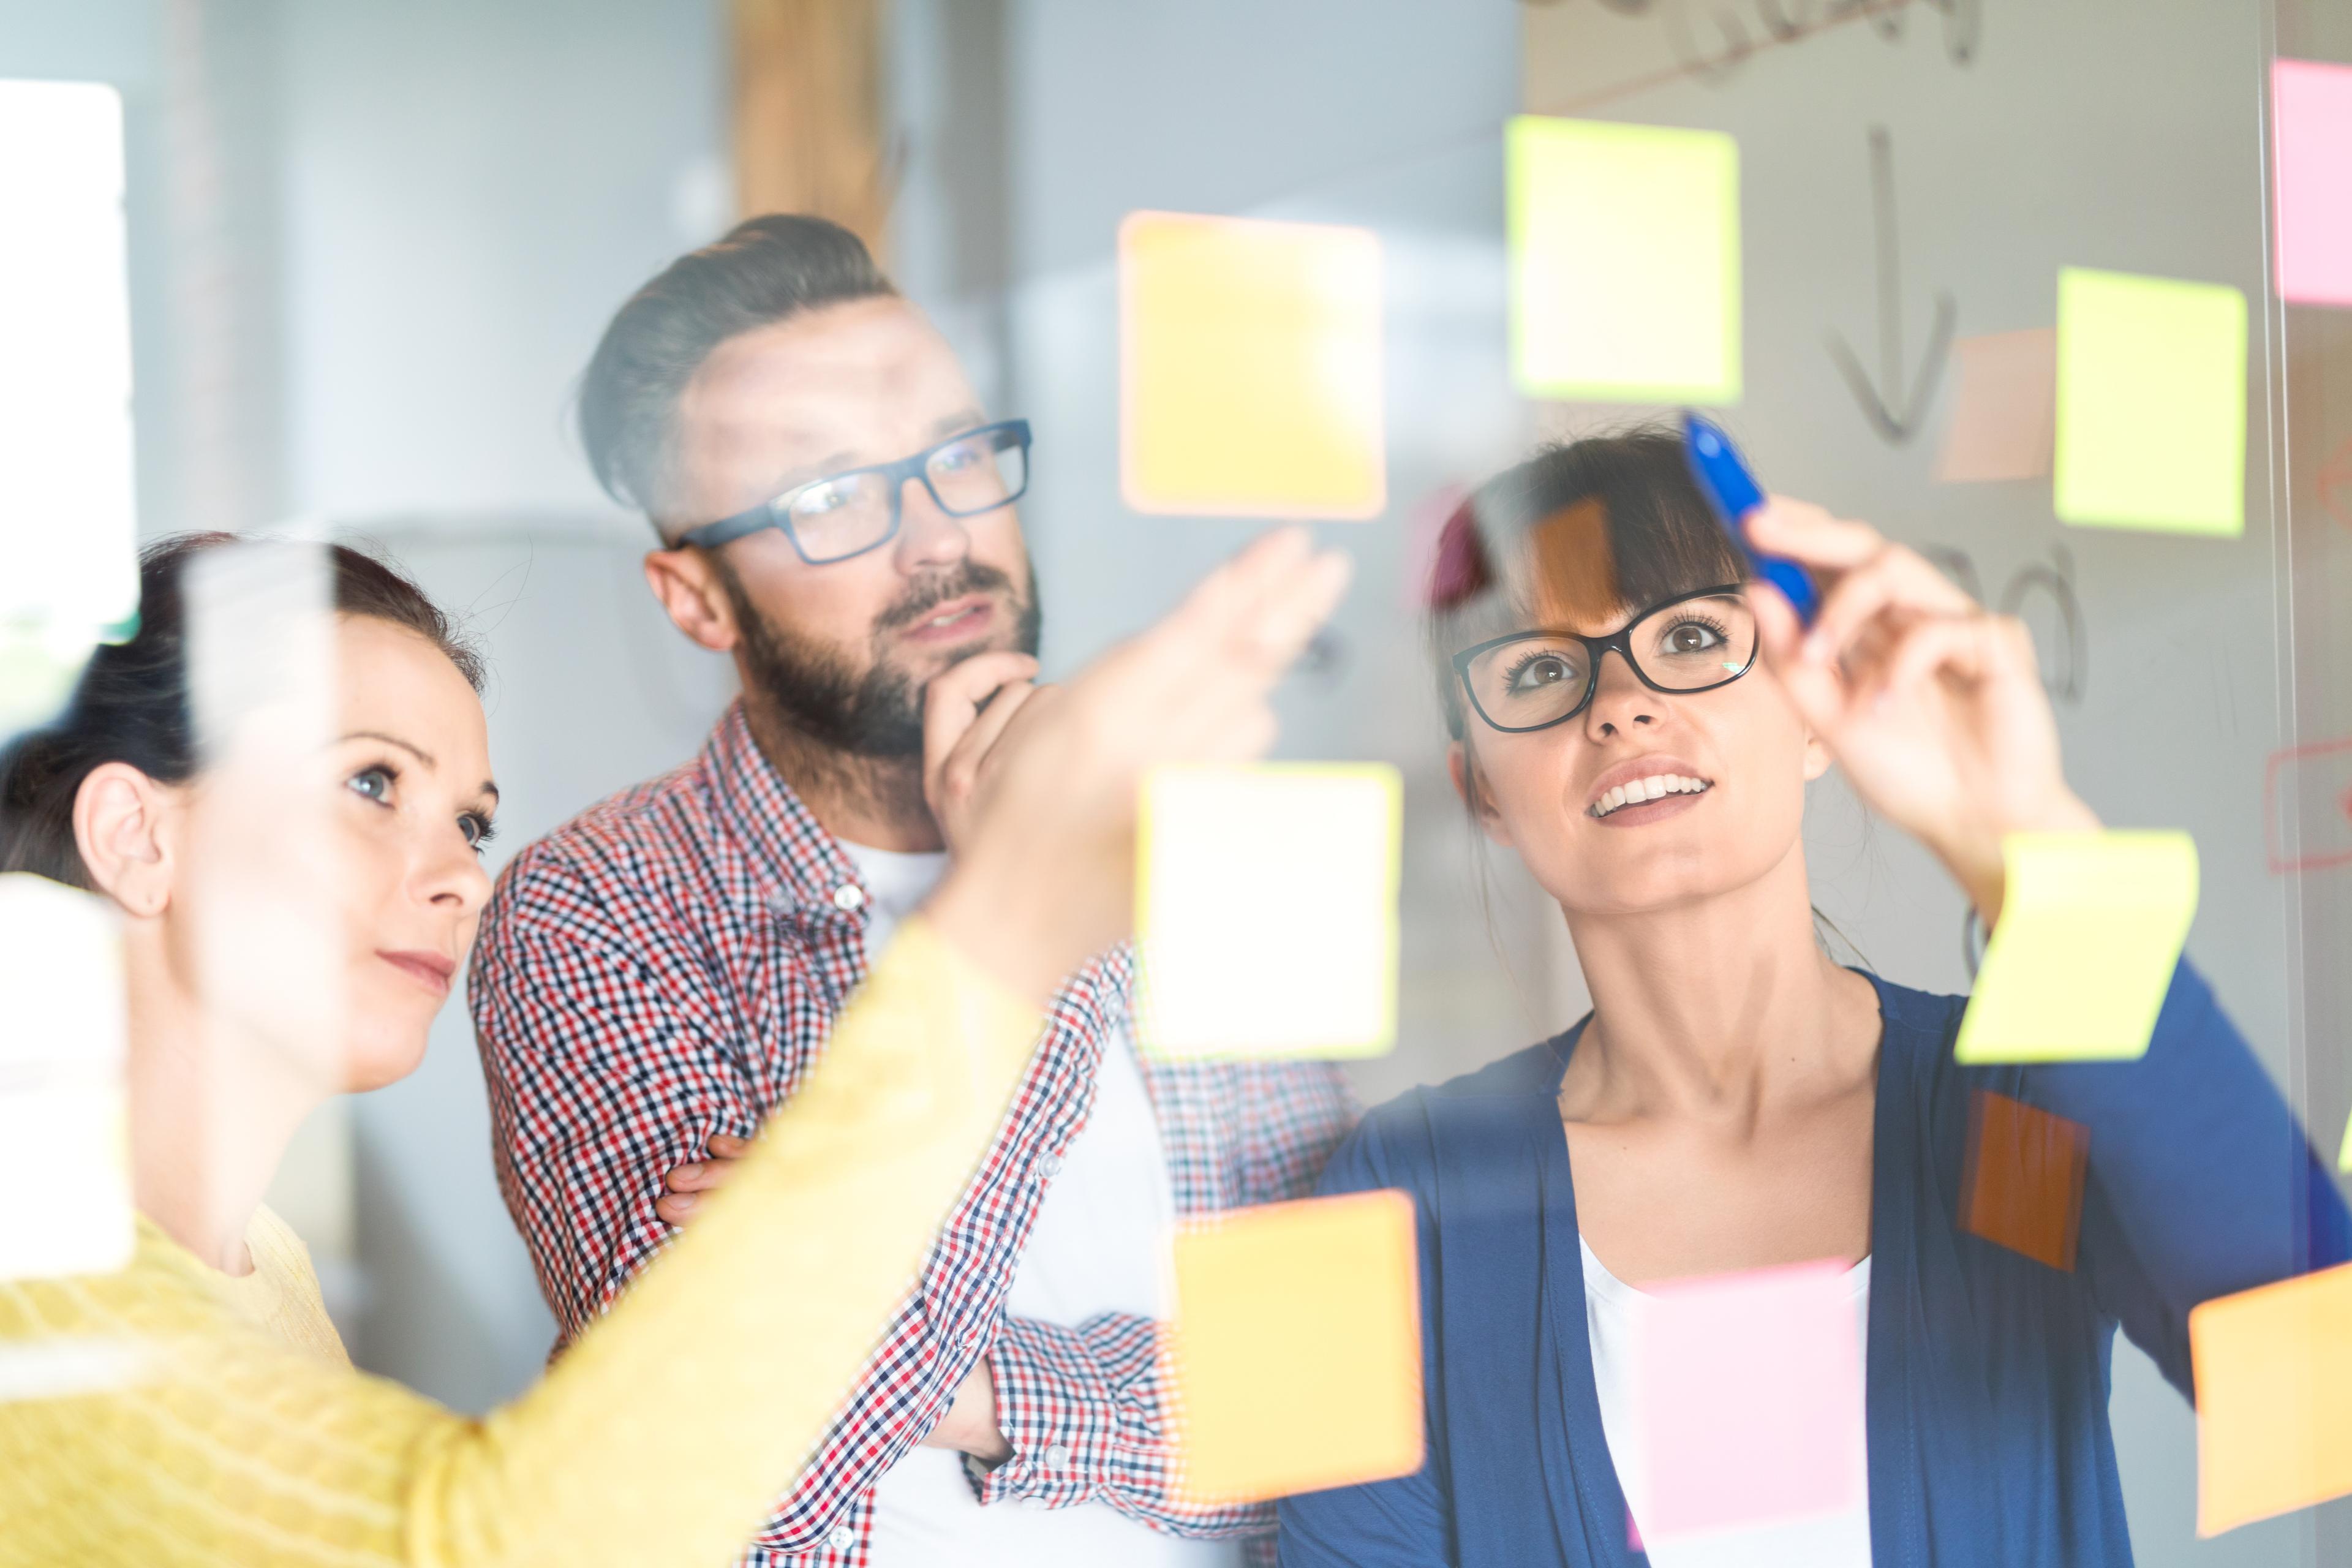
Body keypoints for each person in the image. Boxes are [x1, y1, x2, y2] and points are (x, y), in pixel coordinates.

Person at [0, 521, 1349, 1568]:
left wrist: (909, 1351)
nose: (463, 873)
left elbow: (1326, 1395)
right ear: (137, 834)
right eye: (370, 782)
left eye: (470, 818)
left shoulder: (254, 1270)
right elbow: (517, 1534)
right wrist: (1013, 938)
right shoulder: (38, 1288)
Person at [1276, 429, 2352, 1568]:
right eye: (1540, 670)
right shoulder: (1401, 1200)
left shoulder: (2012, 1128)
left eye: (1692, 636)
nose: (1624, 705)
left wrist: (2029, 855)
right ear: (1479, 789)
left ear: (1816, 708)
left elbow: (2325, 1386)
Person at [467, 214, 1355, 1566]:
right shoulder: (599, 908)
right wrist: (1030, 926)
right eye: (830, 496)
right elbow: (736, 1463)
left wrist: (939, 1378)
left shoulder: (1206, 851)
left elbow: (1329, 1408)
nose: (936, 537)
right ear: (696, 594)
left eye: (956, 454)